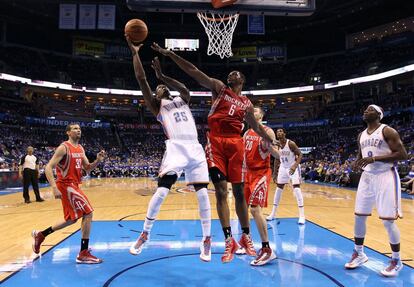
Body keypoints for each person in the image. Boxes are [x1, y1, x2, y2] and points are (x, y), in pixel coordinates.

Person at [151, 42, 278, 263]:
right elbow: (194, 71)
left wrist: (271, 139)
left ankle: (246, 237)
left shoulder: (247, 104)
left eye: (237, 73)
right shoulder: (220, 88)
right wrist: (170, 55)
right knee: (220, 191)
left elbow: (256, 128)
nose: (233, 74)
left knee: (238, 193)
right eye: (231, 73)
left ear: (243, 81)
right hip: (216, 142)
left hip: (235, 143)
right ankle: (229, 240)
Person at [126, 37, 212, 262]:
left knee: (202, 193)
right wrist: (135, 53)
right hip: (175, 147)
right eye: (158, 88)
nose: (159, 87)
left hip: (194, 146)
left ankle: (206, 240)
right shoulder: (156, 106)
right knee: (163, 191)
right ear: (155, 96)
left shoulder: (183, 99)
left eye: (161, 86)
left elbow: (184, 87)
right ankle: (145, 233)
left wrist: (162, 76)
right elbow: (141, 78)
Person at [344, 105, 408, 277]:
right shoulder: (361, 135)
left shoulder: (387, 131)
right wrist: (357, 162)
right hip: (367, 177)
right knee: (359, 216)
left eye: (370, 109)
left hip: (385, 175)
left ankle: (396, 260)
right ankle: (359, 253)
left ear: (379, 115)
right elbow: (361, 154)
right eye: (364, 109)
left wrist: (375, 158)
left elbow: (403, 155)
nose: (365, 111)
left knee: (388, 221)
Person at [31, 124, 105, 264]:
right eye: (75, 129)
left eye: (79, 129)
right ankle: (83, 253)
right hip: (65, 185)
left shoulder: (80, 148)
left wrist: (97, 161)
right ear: (68, 132)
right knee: (88, 212)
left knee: (71, 219)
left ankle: (41, 235)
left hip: (74, 185)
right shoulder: (63, 147)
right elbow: (48, 167)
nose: (78, 130)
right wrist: (54, 187)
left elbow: (87, 168)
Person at [243, 107, 279, 266]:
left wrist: (272, 147)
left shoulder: (268, 131)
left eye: (255, 111)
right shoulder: (246, 133)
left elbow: (277, 154)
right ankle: (246, 240)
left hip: (261, 173)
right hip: (248, 173)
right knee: (243, 208)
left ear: (261, 115)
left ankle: (267, 249)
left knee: (255, 209)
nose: (252, 112)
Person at [267, 128, 305, 224]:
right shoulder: (277, 145)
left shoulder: (290, 143)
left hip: (293, 167)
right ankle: (273, 213)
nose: (278, 132)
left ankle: (302, 215)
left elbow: (300, 154)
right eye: (277, 131)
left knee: (296, 188)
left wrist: (294, 166)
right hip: (283, 168)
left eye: (280, 131)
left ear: (284, 133)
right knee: (278, 189)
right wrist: (275, 173)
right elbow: (276, 158)